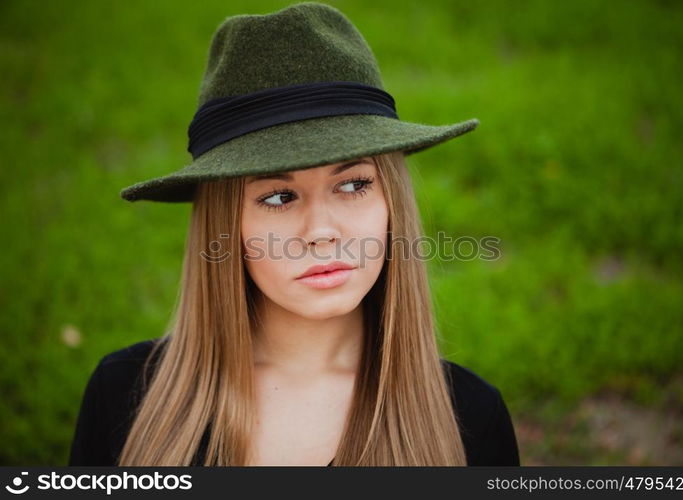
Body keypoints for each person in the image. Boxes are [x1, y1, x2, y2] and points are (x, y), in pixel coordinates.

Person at [68, 1, 519, 466]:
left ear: (392, 203)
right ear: (226, 225)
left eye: (353, 185)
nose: (322, 233)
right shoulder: (124, 397)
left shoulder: (469, 418)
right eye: (279, 198)